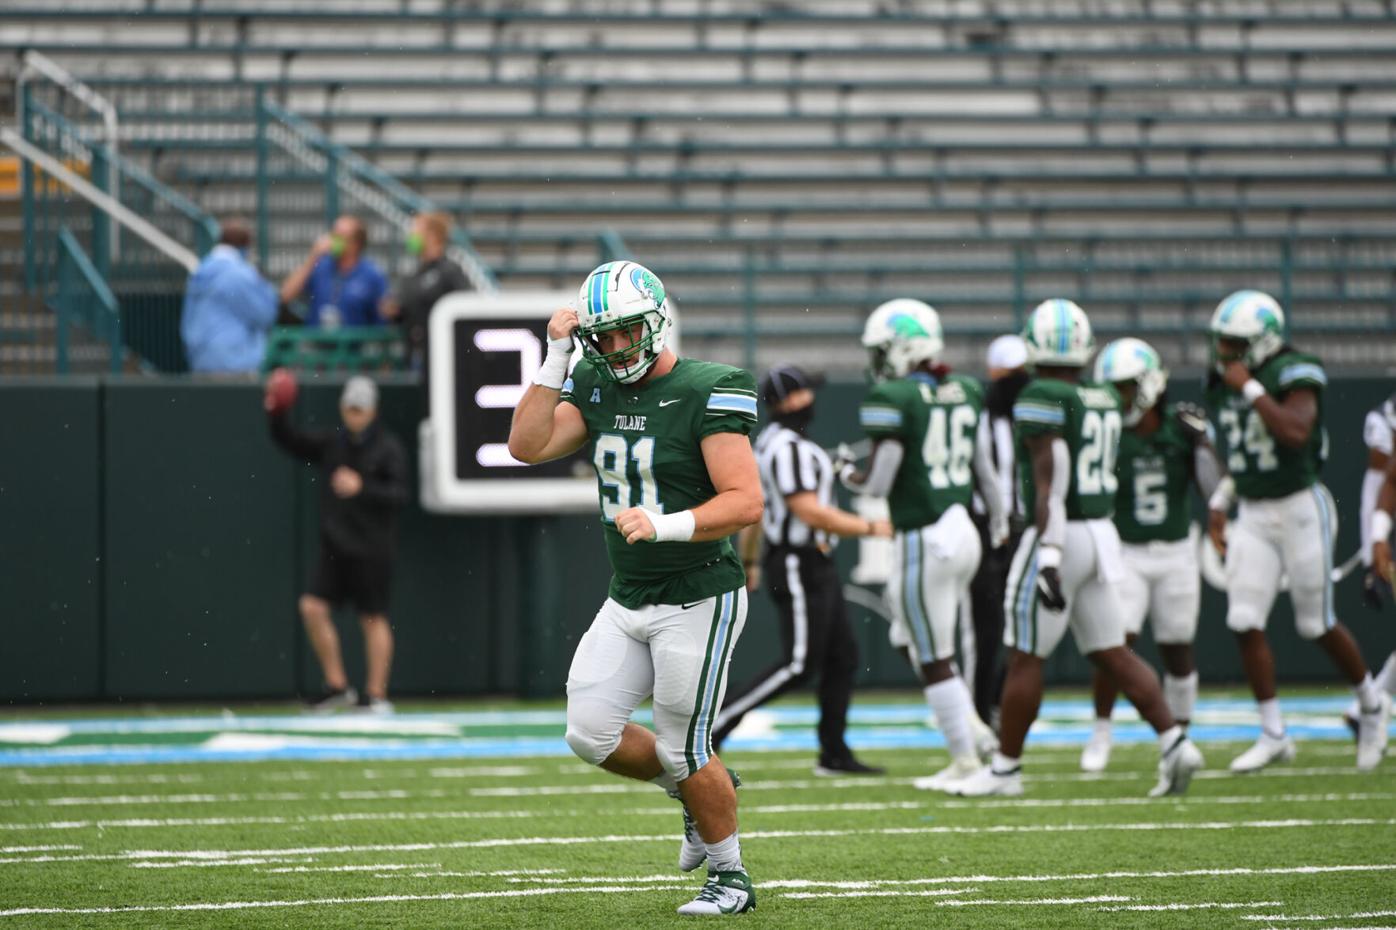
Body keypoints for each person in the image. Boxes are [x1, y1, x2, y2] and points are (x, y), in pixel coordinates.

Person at [507, 261, 762, 916]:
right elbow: (526, 445)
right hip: (629, 595)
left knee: (684, 744)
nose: (615, 348)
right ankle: (695, 790)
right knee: (590, 732)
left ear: (654, 322)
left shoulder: (712, 387)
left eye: (625, 334)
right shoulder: (590, 379)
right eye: (604, 338)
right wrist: (558, 354)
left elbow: (745, 502)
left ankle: (730, 877)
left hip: (698, 594)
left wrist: (666, 523)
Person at [954, 298, 1204, 798]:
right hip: (1100, 533)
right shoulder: (1101, 396)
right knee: (1113, 651)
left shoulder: (1041, 394)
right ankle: (1176, 741)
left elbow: (1052, 480)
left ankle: (1005, 769)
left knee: (1025, 655)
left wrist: (1047, 553)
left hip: (1059, 533)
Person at [1204, 290, 1392, 772]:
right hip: (1254, 509)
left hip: (1301, 507)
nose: (1224, 352)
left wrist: (1250, 387)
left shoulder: (1294, 370)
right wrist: (1221, 501)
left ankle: (1372, 706)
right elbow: (1243, 454)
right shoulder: (1223, 380)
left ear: (1261, 342)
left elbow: (1294, 433)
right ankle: (1273, 733)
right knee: (1244, 620)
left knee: (1315, 623)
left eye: (1234, 342)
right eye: (1221, 342)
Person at [837, 299, 1009, 793]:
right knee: (910, 636)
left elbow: (877, 484)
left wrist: (847, 473)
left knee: (933, 654)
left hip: (924, 536)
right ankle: (974, 730)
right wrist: (998, 519)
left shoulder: (896, 397)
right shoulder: (965, 391)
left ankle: (966, 760)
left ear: (903, 347)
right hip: (965, 531)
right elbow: (985, 471)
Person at [710, 365, 891, 776]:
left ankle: (833, 751)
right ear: (790, 401)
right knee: (798, 663)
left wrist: (752, 560)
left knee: (843, 656)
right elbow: (805, 510)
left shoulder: (773, 443)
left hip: (805, 559)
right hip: (797, 559)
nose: (812, 399)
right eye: (806, 392)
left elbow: (755, 510)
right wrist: (871, 527)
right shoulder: (786, 447)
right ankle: (716, 725)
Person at [1081, 337, 1224, 772]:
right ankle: (1101, 732)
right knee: (1115, 643)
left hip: (1176, 551)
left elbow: (1214, 489)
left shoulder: (1181, 428)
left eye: (1124, 387)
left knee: (1178, 648)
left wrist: (1202, 445)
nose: (1118, 398)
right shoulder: (1109, 432)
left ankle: (1178, 738)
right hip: (1125, 551)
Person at [266, 374, 408, 714]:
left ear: (372, 411)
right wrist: (276, 413)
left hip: (372, 548)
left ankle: (375, 694)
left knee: (373, 617)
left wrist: (363, 487)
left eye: (359, 409)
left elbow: (400, 495)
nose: (353, 414)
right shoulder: (335, 443)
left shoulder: (388, 448)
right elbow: (292, 441)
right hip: (336, 545)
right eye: (349, 408)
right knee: (312, 607)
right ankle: (337, 686)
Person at [963, 334, 1031, 728]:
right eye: (1011, 375)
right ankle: (977, 711)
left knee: (1027, 624)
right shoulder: (980, 417)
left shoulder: (1040, 412)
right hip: (987, 531)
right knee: (986, 629)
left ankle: (999, 698)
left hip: (1028, 529)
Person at [1344, 392, 1396, 733]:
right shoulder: (1383, 420)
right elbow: (1385, 482)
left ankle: (1371, 703)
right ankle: (1372, 702)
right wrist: (1374, 543)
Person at [180, 218, 278, 373]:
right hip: (234, 363)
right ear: (246, 245)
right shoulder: (241, 275)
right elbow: (265, 315)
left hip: (199, 361)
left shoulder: (200, 271)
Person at [380, 211, 470, 377]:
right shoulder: (414, 274)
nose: (411, 236)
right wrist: (394, 311)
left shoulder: (450, 271)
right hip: (416, 356)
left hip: (443, 358)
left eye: (416, 231)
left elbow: (465, 309)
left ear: (432, 235)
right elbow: (407, 312)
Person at [279, 215, 389, 330]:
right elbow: (286, 295)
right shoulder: (320, 266)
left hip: (353, 345)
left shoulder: (372, 275)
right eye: (333, 235)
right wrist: (313, 257)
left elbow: (382, 316)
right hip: (316, 343)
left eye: (340, 236)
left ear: (356, 244)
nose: (333, 240)